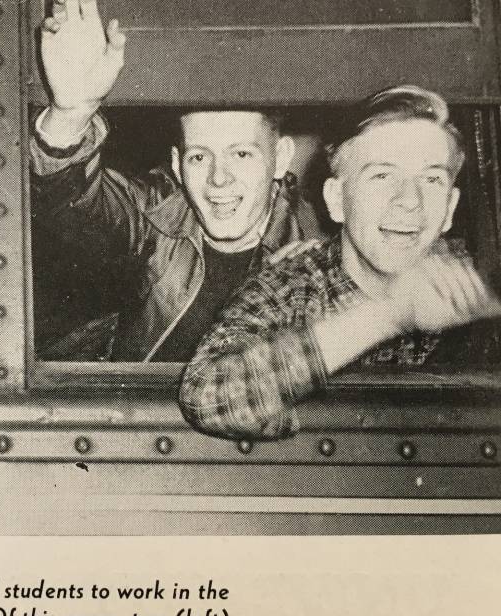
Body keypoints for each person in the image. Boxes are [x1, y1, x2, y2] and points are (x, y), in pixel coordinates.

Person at [179, 86, 501, 440]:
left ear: (450, 208)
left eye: (431, 179)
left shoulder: (482, 280)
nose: (410, 201)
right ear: (335, 200)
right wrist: (390, 313)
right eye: (382, 175)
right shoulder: (292, 287)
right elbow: (205, 397)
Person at [31, 0, 325, 361]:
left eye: (242, 154)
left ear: (280, 158)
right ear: (177, 164)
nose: (219, 179)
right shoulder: (158, 217)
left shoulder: (318, 246)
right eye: (199, 156)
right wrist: (72, 114)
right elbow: (72, 201)